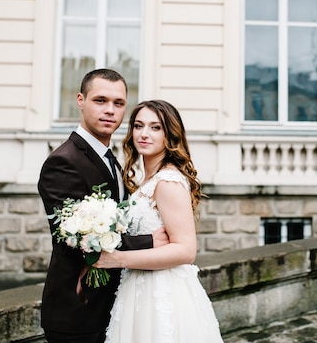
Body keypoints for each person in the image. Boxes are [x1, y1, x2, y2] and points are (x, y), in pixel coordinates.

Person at [38, 69, 168, 343]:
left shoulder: (111, 158)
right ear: (81, 100)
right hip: (78, 310)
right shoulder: (63, 162)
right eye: (100, 100)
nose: (110, 110)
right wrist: (148, 241)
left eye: (118, 103)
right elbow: (75, 239)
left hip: (113, 306)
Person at [94, 99, 223, 343]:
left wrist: (118, 259)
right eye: (138, 125)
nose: (144, 134)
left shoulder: (168, 182)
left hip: (163, 292)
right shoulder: (146, 180)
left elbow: (186, 250)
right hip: (138, 288)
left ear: (170, 135)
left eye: (155, 128)